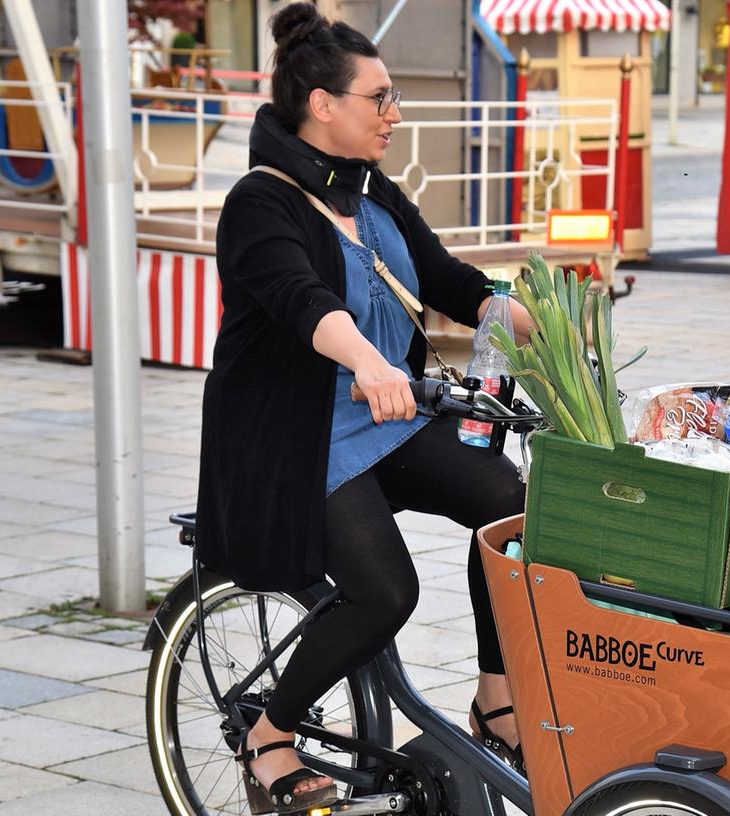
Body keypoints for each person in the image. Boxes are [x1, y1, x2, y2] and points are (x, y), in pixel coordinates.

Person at [194, 4, 534, 814]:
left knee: (510, 510)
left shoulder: (371, 191)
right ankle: (270, 733)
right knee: (386, 591)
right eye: (379, 98)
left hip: (388, 416)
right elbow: (300, 298)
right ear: (322, 106)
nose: (395, 113)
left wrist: (524, 314)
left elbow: (447, 282)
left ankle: (496, 701)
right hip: (298, 435)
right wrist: (371, 361)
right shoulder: (260, 203)